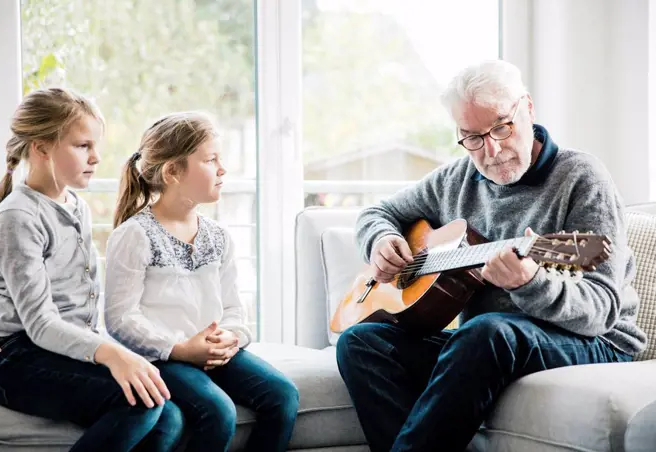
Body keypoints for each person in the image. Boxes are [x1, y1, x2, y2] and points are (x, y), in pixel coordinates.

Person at [335, 60, 647, 452]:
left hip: (594, 340)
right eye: (472, 138)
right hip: (484, 344)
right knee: (361, 342)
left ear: (528, 109)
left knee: (488, 331)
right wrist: (380, 240)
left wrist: (531, 283)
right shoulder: (455, 178)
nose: (492, 150)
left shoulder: (582, 178)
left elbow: (601, 310)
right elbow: (378, 213)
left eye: (501, 126)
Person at [0, 87, 182, 451]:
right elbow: (40, 324)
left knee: (168, 414)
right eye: (82, 146)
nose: (96, 157)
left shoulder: (76, 206)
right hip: (8, 359)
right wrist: (114, 354)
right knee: (136, 404)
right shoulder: (17, 218)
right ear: (41, 148)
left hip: (53, 351)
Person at [104, 111, 300, 452]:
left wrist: (232, 337)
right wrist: (179, 349)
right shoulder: (134, 235)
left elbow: (234, 309)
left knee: (282, 396)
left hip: (215, 353)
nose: (222, 169)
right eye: (211, 160)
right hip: (162, 359)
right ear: (173, 172)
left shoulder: (220, 237)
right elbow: (119, 319)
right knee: (218, 412)